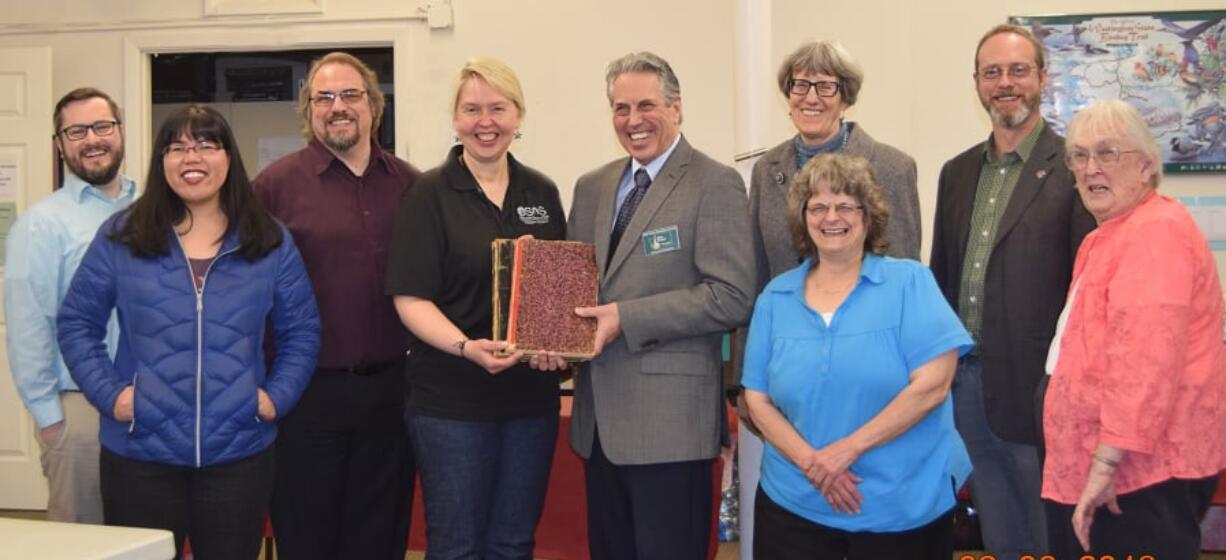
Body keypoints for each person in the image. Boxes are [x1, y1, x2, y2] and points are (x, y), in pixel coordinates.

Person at [56, 104, 320, 559]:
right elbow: (77, 323)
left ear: (229, 158)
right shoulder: (123, 235)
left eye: (206, 145)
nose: (191, 158)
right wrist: (113, 396)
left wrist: (274, 398)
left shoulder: (268, 240)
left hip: (238, 454)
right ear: (161, 162)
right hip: (139, 453)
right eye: (176, 147)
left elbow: (302, 331)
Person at [564, 51, 756, 560]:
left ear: (676, 107)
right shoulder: (591, 187)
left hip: (672, 428)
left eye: (646, 105)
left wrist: (626, 318)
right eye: (621, 108)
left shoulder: (713, 183)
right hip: (598, 426)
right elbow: (573, 292)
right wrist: (549, 340)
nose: (633, 120)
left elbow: (732, 295)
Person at [739, 42, 924, 553]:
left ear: (846, 97)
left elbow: (904, 273)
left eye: (826, 86)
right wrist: (744, 385)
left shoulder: (890, 165)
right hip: (788, 386)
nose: (811, 96)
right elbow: (757, 278)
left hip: (868, 389)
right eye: (800, 84)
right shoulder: (767, 170)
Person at [743, 153, 972, 560]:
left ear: (868, 217)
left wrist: (846, 451)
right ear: (803, 217)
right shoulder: (775, 297)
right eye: (818, 207)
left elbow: (933, 385)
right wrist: (814, 464)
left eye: (846, 205)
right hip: (794, 503)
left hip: (899, 508)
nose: (832, 217)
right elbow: (757, 399)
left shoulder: (909, 283)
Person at [385, 57, 565, 560]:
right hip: (452, 403)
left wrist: (556, 347)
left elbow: (556, 292)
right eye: (472, 110)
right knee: (457, 545)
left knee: (513, 543)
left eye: (498, 109)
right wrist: (467, 348)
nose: (485, 122)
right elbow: (410, 298)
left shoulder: (542, 193)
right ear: (455, 118)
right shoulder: (427, 194)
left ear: (519, 116)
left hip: (530, 400)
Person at [929, 24, 1095, 559]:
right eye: (993, 72)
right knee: (1001, 532)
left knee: (1054, 534)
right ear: (976, 82)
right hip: (968, 389)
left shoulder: (1075, 170)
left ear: (1043, 78)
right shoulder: (955, 174)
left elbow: (1087, 292)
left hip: (1041, 392)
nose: (1006, 83)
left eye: (1019, 70)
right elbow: (941, 278)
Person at [1041, 99, 1226, 560]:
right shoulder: (1108, 233)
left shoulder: (1155, 232)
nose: (1090, 168)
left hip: (1137, 473)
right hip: (1119, 464)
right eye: (1079, 156)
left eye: (1108, 153)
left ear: (1145, 166)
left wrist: (1104, 465)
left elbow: (1143, 364)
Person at [253, 51, 420, 560]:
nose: (337, 106)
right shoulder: (272, 188)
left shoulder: (412, 186)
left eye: (350, 94)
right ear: (308, 110)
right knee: (308, 537)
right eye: (323, 97)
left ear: (374, 105)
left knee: (380, 536)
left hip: (392, 397)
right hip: (305, 399)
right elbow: (247, 296)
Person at [4, 87, 136, 525]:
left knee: (148, 536)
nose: (92, 139)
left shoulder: (154, 210)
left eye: (102, 126)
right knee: (83, 542)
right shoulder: (42, 224)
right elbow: (28, 324)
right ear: (59, 144)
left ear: (120, 131)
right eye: (76, 131)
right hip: (81, 413)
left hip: (153, 406)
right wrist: (50, 418)